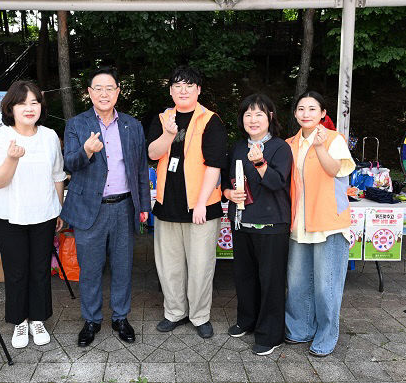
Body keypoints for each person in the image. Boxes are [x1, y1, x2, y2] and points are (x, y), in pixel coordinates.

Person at [61, 67, 151, 347]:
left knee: (123, 266)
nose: (103, 93)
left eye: (109, 88)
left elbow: (140, 168)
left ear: (118, 92)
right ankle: (91, 319)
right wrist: (87, 150)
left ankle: (121, 317)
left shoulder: (132, 125)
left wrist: (144, 205)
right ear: (88, 93)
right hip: (91, 208)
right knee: (90, 268)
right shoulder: (77, 124)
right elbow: (69, 164)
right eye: (97, 88)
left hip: (124, 207)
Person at [0, 80, 66, 349]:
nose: (29, 108)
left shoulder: (50, 136)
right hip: (10, 216)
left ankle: (37, 319)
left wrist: (59, 208)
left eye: (35, 102)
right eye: (22, 103)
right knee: (17, 271)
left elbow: (57, 176)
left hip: (44, 213)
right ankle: (19, 322)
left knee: (40, 270)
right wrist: (12, 159)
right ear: (11, 108)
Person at [148, 66, 228, 339]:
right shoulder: (162, 118)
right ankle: (174, 312)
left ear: (198, 90)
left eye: (189, 85)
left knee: (200, 265)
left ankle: (200, 315)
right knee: (169, 265)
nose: (183, 90)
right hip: (166, 205)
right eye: (177, 85)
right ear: (170, 90)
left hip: (201, 207)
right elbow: (152, 153)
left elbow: (215, 165)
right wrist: (168, 133)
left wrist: (202, 202)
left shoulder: (210, 120)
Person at [284, 90, 355, 357]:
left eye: (312, 109)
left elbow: (335, 170)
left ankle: (327, 335)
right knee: (298, 281)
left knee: (327, 284)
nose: (306, 114)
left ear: (323, 113)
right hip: (299, 222)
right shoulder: (289, 143)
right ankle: (300, 328)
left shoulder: (334, 139)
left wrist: (318, 146)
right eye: (301, 109)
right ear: (295, 113)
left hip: (329, 224)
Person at [222, 94, 292, 355]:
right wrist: (229, 194)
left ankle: (270, 334)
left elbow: (276, 183)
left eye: (259, 114)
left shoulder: (279, 148)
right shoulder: (238, 146)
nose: (253, 119)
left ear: (270, 117)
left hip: (271, 224)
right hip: (241, 221)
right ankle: (246, 320)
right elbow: (227, 181)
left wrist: (260, 162)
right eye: (248, 114)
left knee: (271, 280)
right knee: (244, 276)